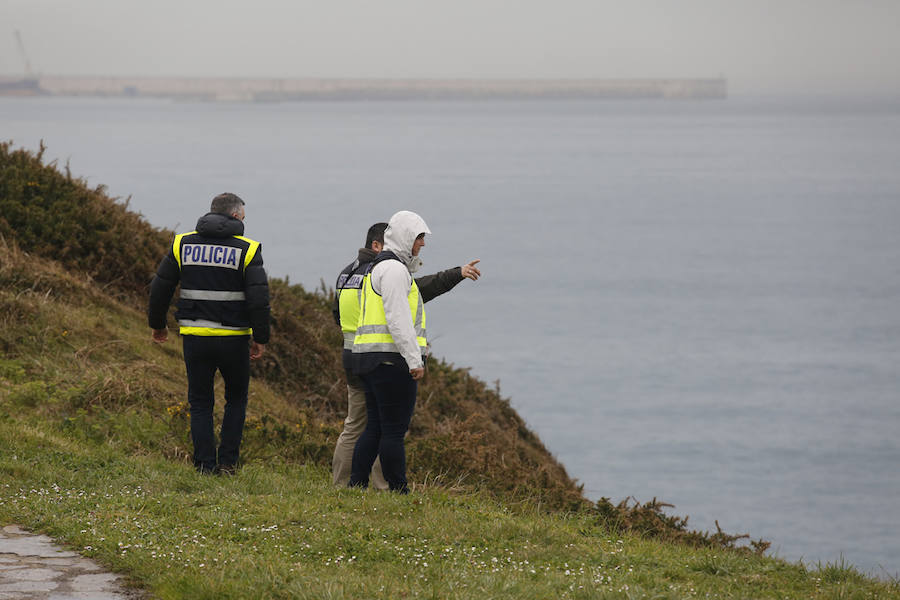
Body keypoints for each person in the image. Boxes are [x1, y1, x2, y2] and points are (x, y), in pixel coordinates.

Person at [331, 222, 481, 488]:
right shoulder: (387, 271)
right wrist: (413, 358)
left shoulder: (348, 273)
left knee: (357, 425)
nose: (421, 245)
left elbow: (337, 314)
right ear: (378, 245)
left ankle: (344, 485)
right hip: (384, 356)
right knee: (387, 428)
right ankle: (384, 486)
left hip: (354, 354)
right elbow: (412, 299)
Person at [148, 193, 270, 475]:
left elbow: (160, 287)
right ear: (237, 216)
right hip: (233, 338)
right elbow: (259, 299)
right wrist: (261, 337)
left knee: (200, 401)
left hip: (195, 337)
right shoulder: (248, 249)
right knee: (236, 399)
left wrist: (158, 324)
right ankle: (227, 464)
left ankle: (204, 465)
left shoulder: (182, 243)